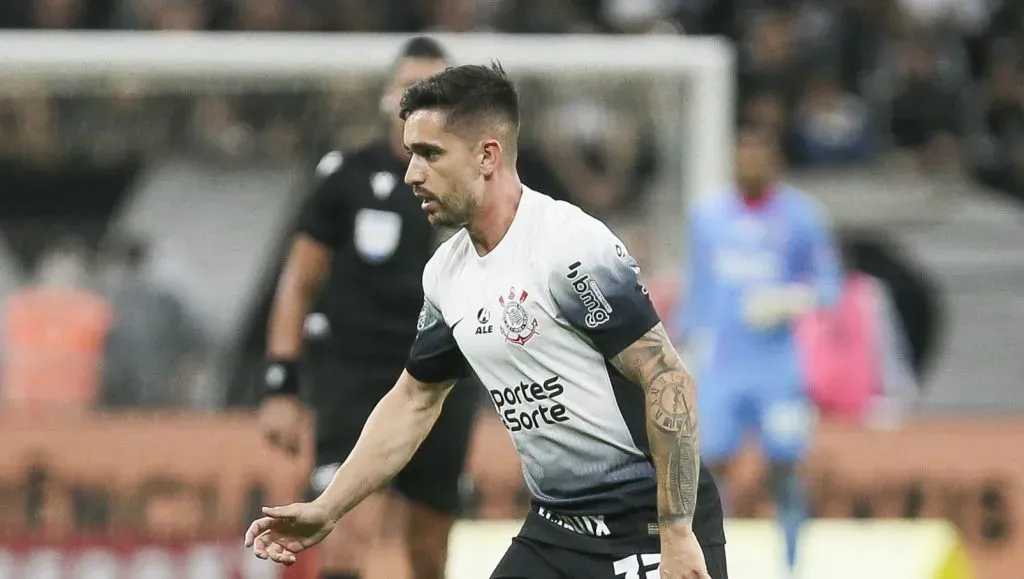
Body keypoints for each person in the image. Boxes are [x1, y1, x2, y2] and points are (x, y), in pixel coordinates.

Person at [245, 63, 728, 579]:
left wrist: (677, 532)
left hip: (647, 523)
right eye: (410, 155)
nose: (412, 173)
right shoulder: (447, 274)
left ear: (487, 156)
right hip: (558, 529)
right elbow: (414, 399)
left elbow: (667, 377)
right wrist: (327, 507)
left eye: (430, 154)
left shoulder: (568, 248)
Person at [257, 37, 477, 579]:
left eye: (437, 90)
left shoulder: (475, 182)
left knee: (429, 549)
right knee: (347, 535)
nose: (422, 101)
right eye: (410, 87)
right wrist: (281, 384)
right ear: (387, 98)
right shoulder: (347, 176)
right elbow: (299, 280)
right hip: (353, 376)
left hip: (438, 377)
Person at [674, 121, 842, 577]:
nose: (748, 163)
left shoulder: (803, 217)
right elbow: (698, 288)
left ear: (775, 160)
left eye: (758, 155)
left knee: (785, 466)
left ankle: (791, 566)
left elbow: (829, 286)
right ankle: (709, 564)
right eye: (741, 155)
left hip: (777, 367)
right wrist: (683, 345)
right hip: (723, 366)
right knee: (712, 469)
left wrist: (791, 300)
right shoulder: (707, 217)